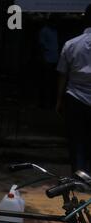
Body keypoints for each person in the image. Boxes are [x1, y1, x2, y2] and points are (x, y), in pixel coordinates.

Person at [56, 4, 91, 174]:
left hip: (75, 97)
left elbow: (63, 75)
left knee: (77, 140)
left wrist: (59, 100)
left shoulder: (71, 44)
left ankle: (79, 174)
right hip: (77, 96)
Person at [39, 14, 60, 109]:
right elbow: (41, 46)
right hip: (47, 59)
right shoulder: (44, 30)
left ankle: (51, 103)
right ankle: (44, 103)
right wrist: (43, 59)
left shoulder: (55, 30)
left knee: (53, 82)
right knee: (45, 82)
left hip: (55, 59)